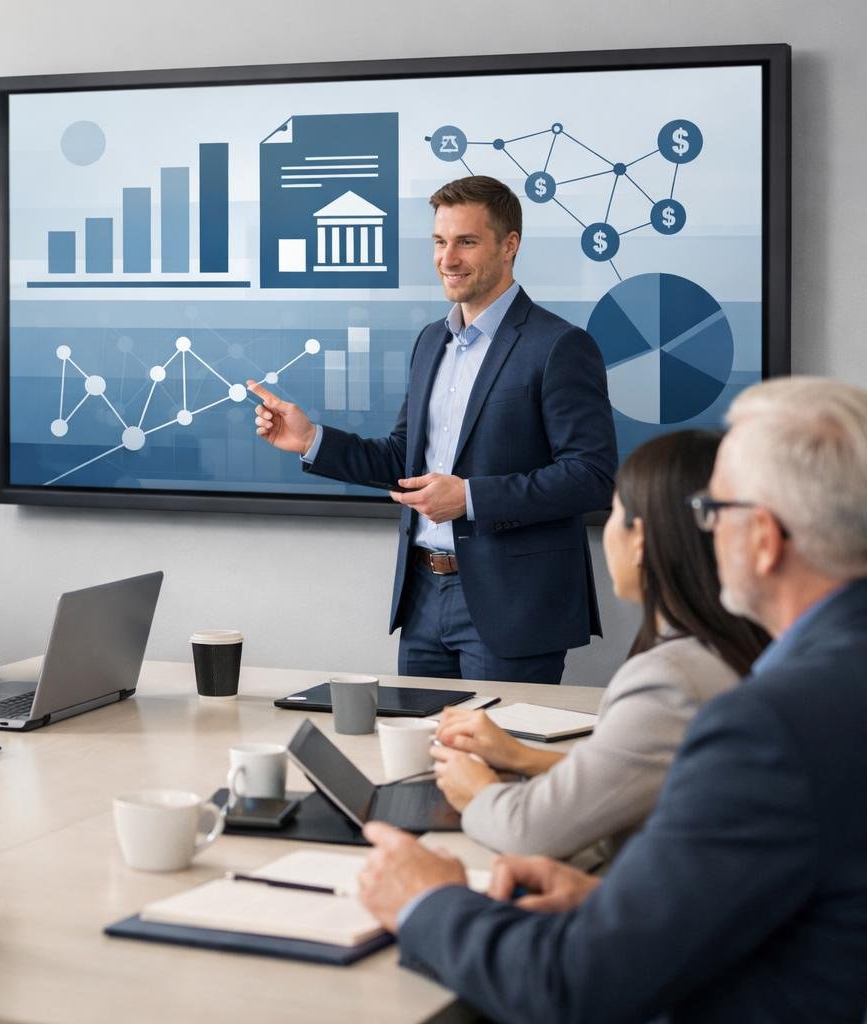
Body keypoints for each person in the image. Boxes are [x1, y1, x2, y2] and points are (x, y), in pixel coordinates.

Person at [355, 377, 867, 1022]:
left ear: (763, 540)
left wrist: (425, 902)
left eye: (713, 512)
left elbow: (572, 987)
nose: (701, 534)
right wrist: (611, 901)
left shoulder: (770, 726)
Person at [249, 175, 617, 684]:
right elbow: (405, 459)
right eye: (440, 242)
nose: (448, 259)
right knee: (419, 755)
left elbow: (592, 477)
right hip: (422, 597)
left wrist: (469, 498)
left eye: (467, 241)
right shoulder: (430, 342)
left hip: (511, 605)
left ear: (510, 246)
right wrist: (311, 440)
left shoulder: (559, 346)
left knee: (495, 759)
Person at [429, 429, 769, 860]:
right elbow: (641, 775)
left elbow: (528, 832)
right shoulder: (738, 647)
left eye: (614, 514)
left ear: (640, 539)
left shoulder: (671, 680)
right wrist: (521, 756)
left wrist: (478, 789)